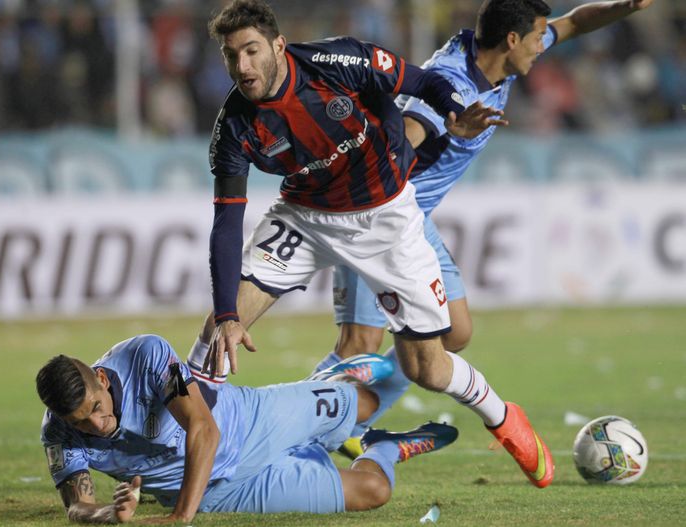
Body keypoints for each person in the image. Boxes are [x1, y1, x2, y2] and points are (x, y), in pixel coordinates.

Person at [187, 0, 552, 489]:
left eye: (251, 51)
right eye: (231, 56)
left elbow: (421, 82)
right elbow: (227, 222)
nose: (243, 66)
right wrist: (229, 313)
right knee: (219, 328)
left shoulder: (337, 61)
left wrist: (453, 111)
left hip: (386, 218)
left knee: (428, 367)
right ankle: (177, 443)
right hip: (305, 215)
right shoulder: (234, 125)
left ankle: (504, 418)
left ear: (278, 46)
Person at [310, 0, 655, 461]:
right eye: (537, 37)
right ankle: (296, 431)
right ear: (511, 40)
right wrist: (433, 139)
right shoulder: (453, 83)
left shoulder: (498, 60)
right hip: (374, 215)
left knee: (453, 331)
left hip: (414, 219)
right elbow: (407, 134)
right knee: (359, 345)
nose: (543, 45)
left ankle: (351, 422)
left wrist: (626, 5)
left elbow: (574, 21)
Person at [36, 335, 457, 524]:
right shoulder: (58, 434)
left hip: (252, 420)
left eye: (97, 408)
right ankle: (382, 446)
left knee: (367, 403)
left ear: (102, 380)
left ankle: (343, 376)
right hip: (218, 491)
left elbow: (203, 429)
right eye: (80, 423)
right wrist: (109, 514)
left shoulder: (145, 355)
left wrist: (180, 516)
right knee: (375, 492)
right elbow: (77, 506)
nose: (97, 426)